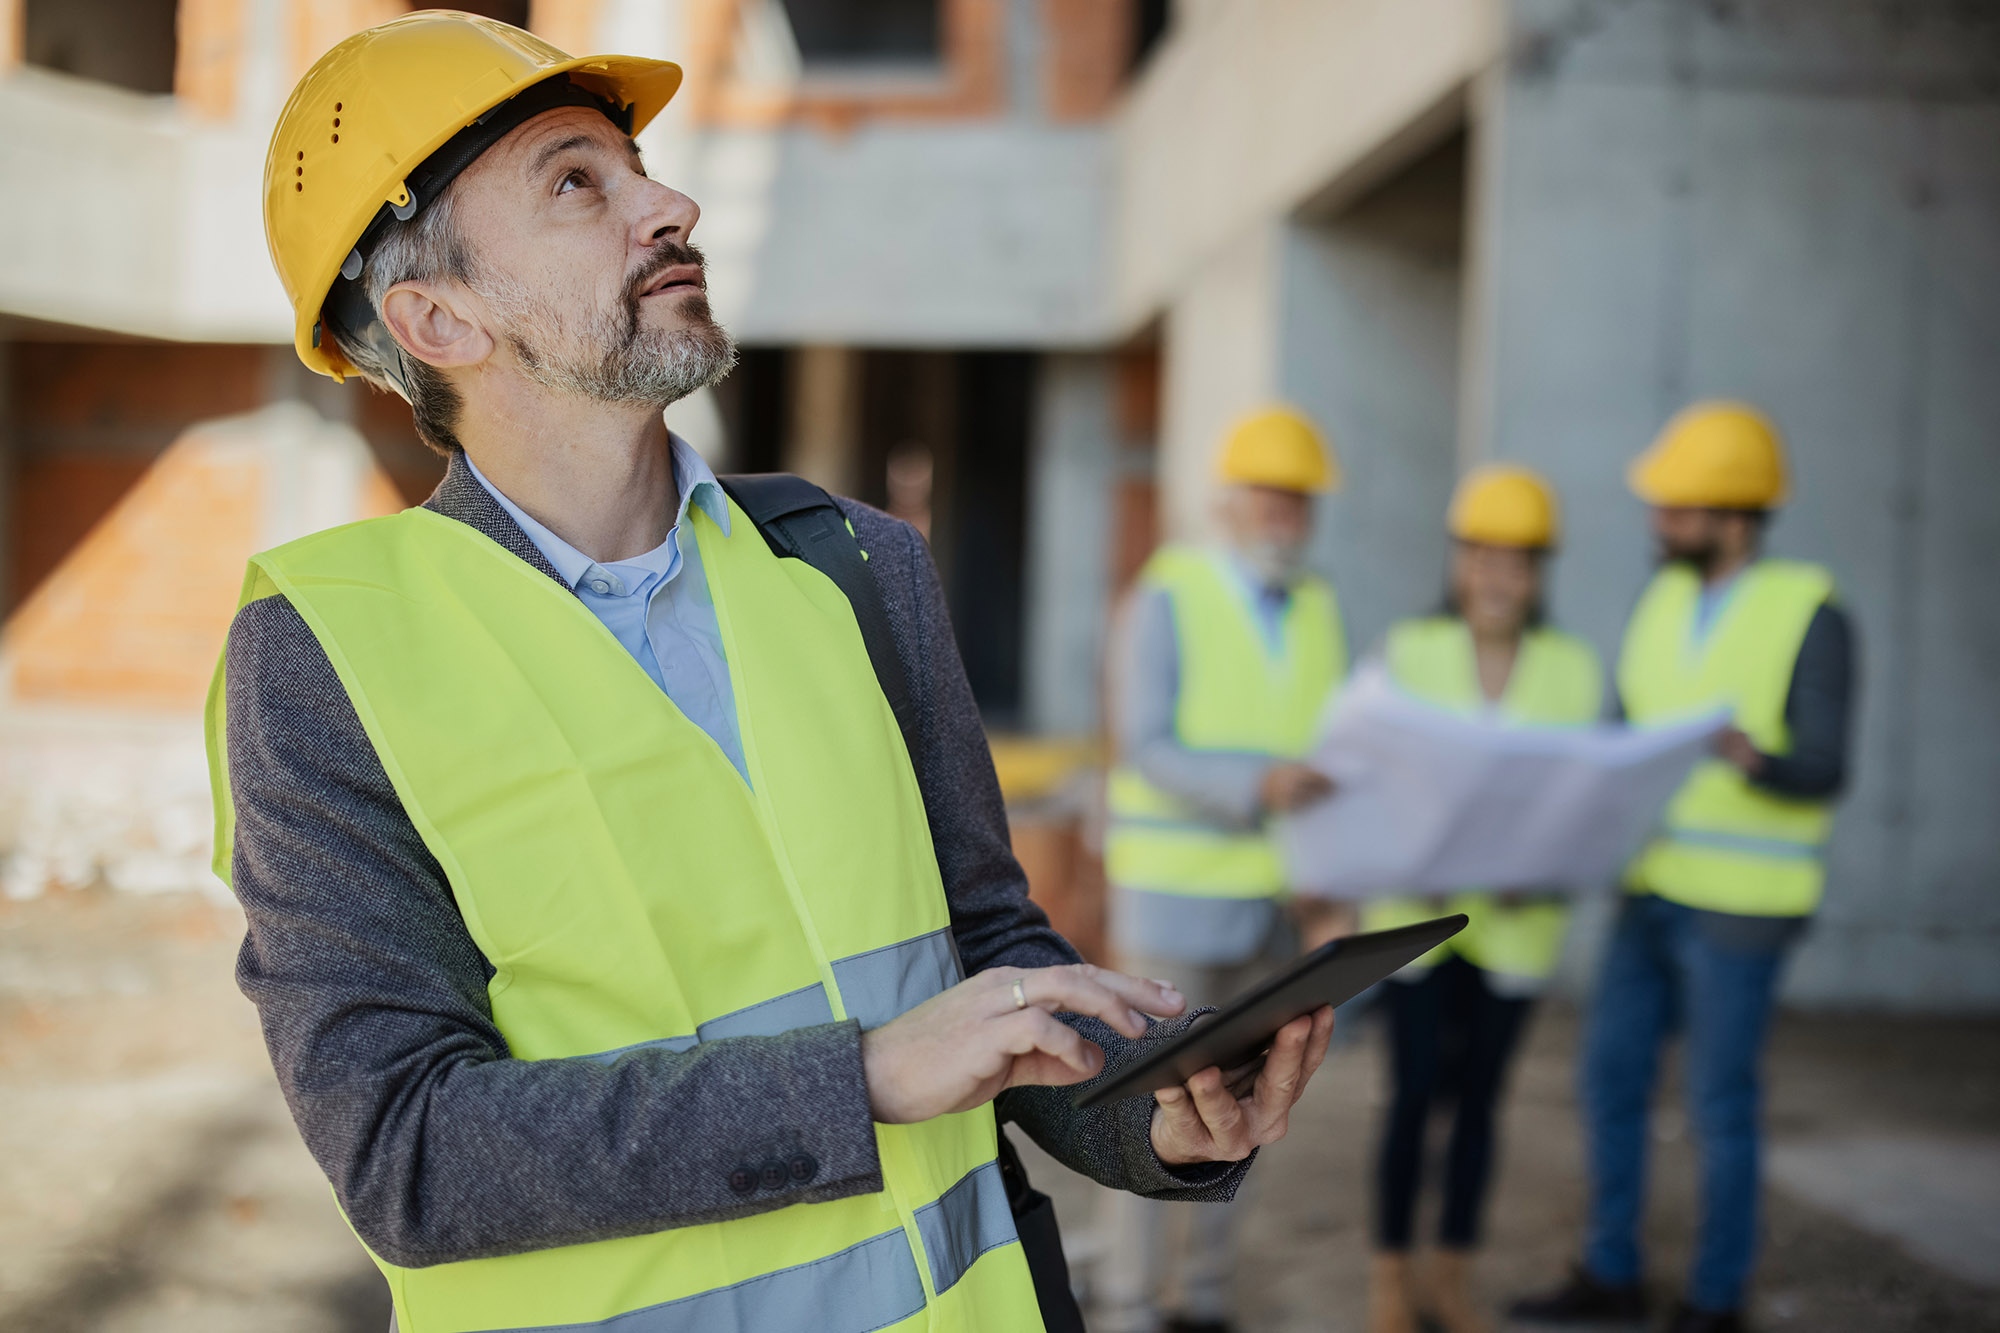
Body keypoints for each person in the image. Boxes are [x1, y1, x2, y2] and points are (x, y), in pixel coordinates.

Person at [211, 15, 1336, 1333]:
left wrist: (1162, 1119)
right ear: (438, 316)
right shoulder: (327, 652)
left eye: (642, 168)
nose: (670, 204)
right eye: (579, 183)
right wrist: (856, 1078)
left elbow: (983, 958)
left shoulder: (854, 563)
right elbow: (411, 1150)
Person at [1511, 403, 1856, 1333]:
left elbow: (1825, 769)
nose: (1658, 524)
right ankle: (1611, 1270)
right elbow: (1630, 730)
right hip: (1650, 890)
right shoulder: (1661, 600)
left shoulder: (1810, 613)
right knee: (1610, 1080)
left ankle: (1716, 1298)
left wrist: (1754, 758)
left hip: (1743, 906)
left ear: (1733, 516)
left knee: (1718, 1102)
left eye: (1677, 508)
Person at [1098, 406, 1348, 1333]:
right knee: (1151, 1113)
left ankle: (1202, 1297)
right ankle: (1129, 1302)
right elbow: (1146, 744)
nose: (1285, 518)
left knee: (1245, 1114)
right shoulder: (1166, 596)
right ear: (1229, 504)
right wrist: (1261, 783)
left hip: (1276, 907)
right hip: (1176, 903)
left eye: (1299, 503)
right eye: (1270, 499)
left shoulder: (1319, 607)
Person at [1357, 466, 1604, 1333]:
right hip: (1417, 921)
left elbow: (1583, 798)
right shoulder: (1410, 651)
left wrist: (1539, 862)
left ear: (1538, 574)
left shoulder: (1572, 671)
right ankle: (1391, 1278)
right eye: (1482, 557)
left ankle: (1450, 1275)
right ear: (1460, 563)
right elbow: (1375, 775)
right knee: (1413, 1095)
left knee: (1480, 1106)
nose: (1498, 578)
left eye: (1517, 562)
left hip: (1516, 924)